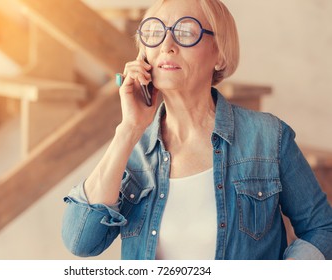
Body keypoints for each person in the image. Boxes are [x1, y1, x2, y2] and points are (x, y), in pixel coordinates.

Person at [61, 0, 332, 260]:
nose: (166, 45)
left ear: (219, 54)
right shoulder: (132, 148)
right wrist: (128, 129)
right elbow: (80, 241)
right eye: (154, 32)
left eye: (185, 32)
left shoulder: (269, 137)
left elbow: (323, 229)